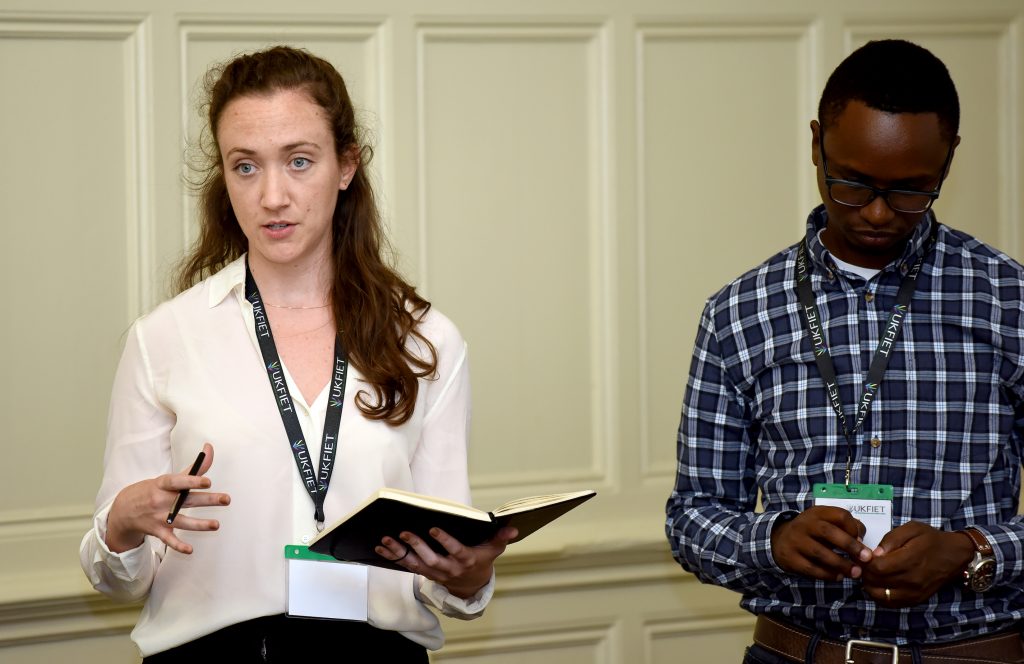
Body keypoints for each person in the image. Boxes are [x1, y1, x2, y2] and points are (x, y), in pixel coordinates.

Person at [79, 45, 516, 662]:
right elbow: (120, 576)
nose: (273, 196)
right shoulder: (163, 339)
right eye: (246, 167)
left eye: (300, 161)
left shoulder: (426, 341)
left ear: (346, 166)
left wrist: (468, 576)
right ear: (224, 178)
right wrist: (120, 524)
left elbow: (444, 573)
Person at [665, 39, 1024, 663]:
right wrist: (771, 542)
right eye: (853, 184)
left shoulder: (1010, 300)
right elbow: (693, 517)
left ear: (949, 159)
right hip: (793, 653)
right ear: (815, 144)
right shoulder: (739, 311)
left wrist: (972, 550)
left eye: (913, 190)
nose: (880, 214)